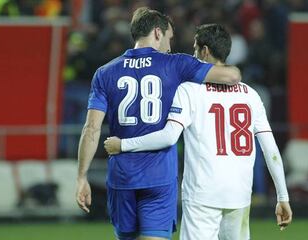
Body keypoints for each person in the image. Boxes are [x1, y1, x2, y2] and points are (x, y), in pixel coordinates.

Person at [104, 24, 292, 240]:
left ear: (204, 51)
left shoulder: (189, 90)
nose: (193, 54)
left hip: (203, 193)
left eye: (195, 49)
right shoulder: (250, 94)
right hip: (239, 193)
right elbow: (270, 149)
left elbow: (169, 136)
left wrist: (124, 144)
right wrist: (282, 196)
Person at [75, 7, 241, 240]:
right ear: (157, 32)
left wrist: (81, 177)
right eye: (169, 38)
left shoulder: (105, 73)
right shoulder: (175, 64)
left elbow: (91, 129)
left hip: (122, 178)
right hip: (159, 176)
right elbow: (231, 76)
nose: (169, 46)